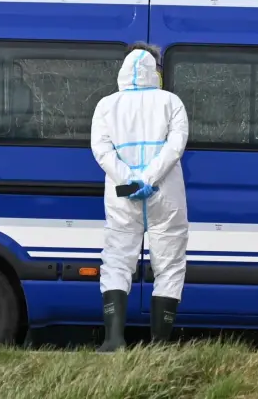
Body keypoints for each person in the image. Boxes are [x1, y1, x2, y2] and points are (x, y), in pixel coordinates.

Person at [90, 42, 190, 352]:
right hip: (165, 194)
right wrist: (149, 179)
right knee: (169, 265)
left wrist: (128, 180)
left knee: (117, 260)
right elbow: (176, 146)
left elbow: (101, 150)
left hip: (122, 196)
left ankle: (114, 339)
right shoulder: (171, 102)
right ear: (155, 70)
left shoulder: (106, 105)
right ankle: (159, 345)